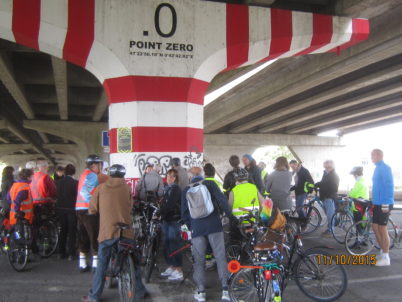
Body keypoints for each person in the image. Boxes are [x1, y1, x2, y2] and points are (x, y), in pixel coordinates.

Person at [82, 164, 148, 302]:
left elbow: (92, 208)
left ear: (110, 174)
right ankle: (140, 292)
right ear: (123, 175)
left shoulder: (101, 188)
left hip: (107, 232)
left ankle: (94, 296)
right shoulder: (127, 188)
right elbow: (130, 206)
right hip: (125, 231)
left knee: (102, 264)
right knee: (133, 261)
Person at [182, 167, 233, 302]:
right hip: (214, 225)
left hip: (197, 228)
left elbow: (184, 213)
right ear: (202, 175)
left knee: (199, 259)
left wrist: (192, 227)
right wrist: (231, 217)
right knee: (220, 257)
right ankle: (225, 290)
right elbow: (222, 201)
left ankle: (201, 291)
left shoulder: (186, 190)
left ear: (190, 177)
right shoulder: (210, 184)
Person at [76, 155, 102, 273]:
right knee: (94, 235)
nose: (100, 167)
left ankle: (82, 263)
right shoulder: (92, 175)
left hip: (79, 208)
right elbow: (85, 192)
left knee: (83, 236)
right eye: (99, 165)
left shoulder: (83, 174)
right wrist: (93, 204)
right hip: (88, 209)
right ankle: (96, 263)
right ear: (93, 165)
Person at [371, 149, 394, 266]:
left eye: (373, 155)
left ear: (380, 155)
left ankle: (386, 257)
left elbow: (389, 187)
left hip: (384, 203)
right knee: (375, 227)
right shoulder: (377, 168)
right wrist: (374, 202)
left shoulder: (385, 168)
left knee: (382, 228)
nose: (371, 157)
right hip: (377, 203)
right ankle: (381, 251)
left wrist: (385, 205)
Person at [160, 169, 183, 281]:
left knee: (174, 244)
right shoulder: (167, 188)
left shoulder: (176, 189)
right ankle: (171, 266)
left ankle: (178, 269)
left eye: (171, 176)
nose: (168, 178)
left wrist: (160, 213)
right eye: (167, 176)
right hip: (166, 219)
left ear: (175, 178)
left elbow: (170, 205)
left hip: (174, 220)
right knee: (167, 244)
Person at [56, 164, 78, 260]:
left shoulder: (58, 183)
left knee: (63, 231)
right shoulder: (75, 183)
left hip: (61, 209)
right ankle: (71, 253)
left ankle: (60, 252)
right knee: (72, 231)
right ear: (74, 172)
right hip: (72, 210)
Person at [315, 160, 340, 238]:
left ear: (332, 167)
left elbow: (334, 188)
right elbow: (323, 183)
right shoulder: (326, 174)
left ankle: (330, 230)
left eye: (329, 167)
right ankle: (332, 225)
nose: (327, 168)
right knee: (329, 214)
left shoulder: (334, 175)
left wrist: (323, 188)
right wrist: (316, 185)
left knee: (330, 215)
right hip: (325, 197)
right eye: (325, 167)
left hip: (329, 197)